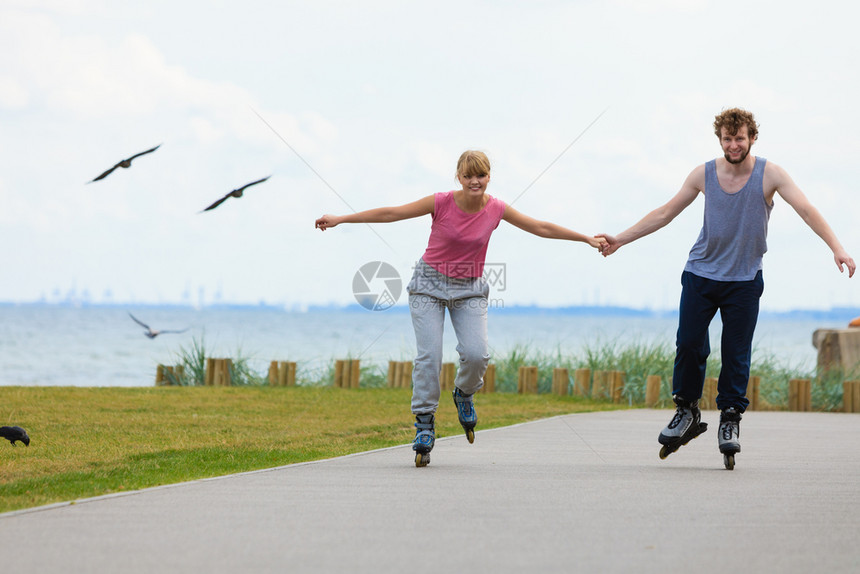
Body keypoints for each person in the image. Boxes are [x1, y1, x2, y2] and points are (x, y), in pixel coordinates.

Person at [597, 108, 855, 469]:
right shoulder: (704, 174)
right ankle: (686, 411)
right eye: (727, 139)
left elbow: (807, 210)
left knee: (736, 353)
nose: (734, 145)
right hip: (701, 274)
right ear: (720, 140)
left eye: (740, 138)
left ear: (752, 138)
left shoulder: (770, 174)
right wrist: (621, 239)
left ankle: (730, 418)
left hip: (744, 281)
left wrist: (837, 247)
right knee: (688, 343)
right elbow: (665, 212)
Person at [315, 150, 605, 466]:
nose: (474, 181)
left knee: (477, 354)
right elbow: (392, 213)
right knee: (430, 356)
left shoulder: (496, 208)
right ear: (459, 177)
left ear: (488, 176)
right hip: (428, 286)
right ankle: (424, 422)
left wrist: (586, 239)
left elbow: (541, 227)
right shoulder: (440, 202)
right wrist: (342, 218)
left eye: (480, 175)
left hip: (470, 290)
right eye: (468, 176)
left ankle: (463, 394)